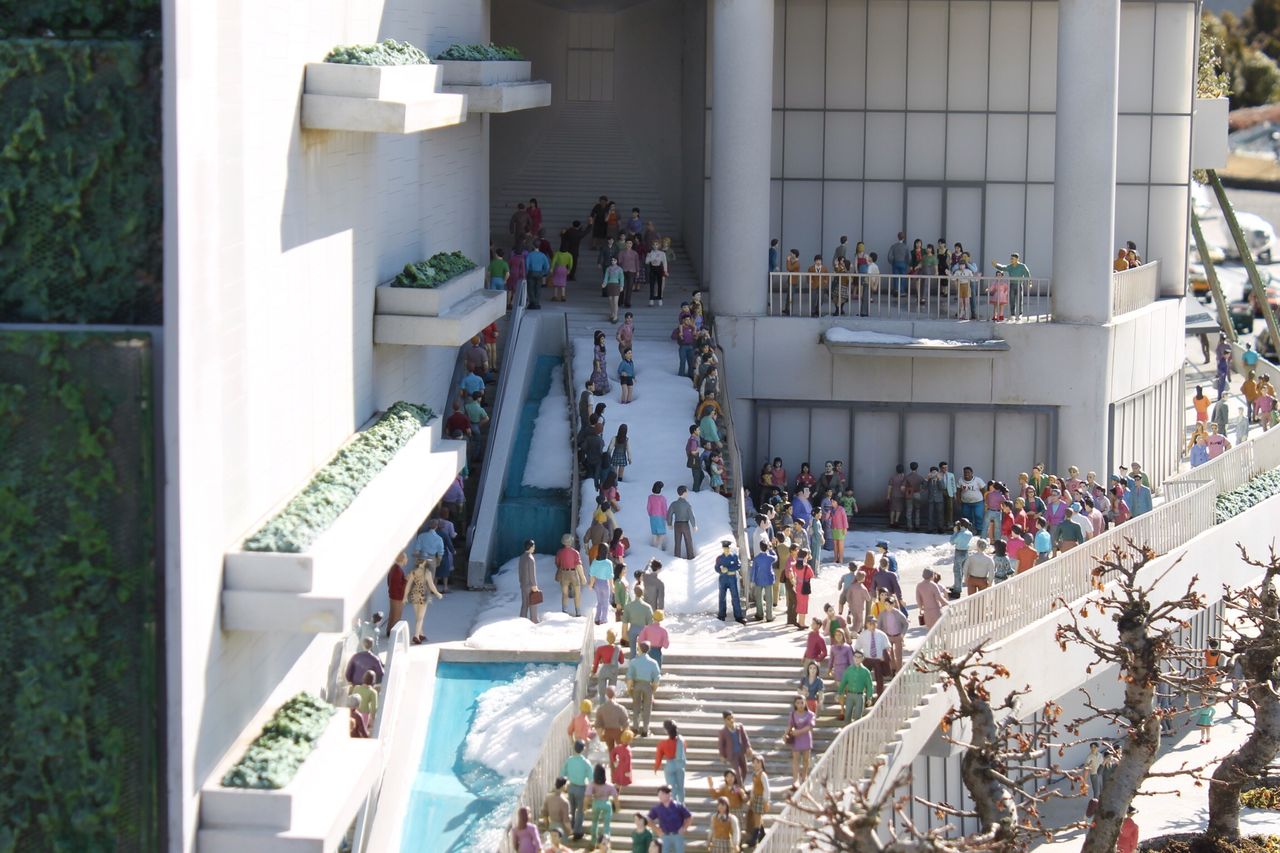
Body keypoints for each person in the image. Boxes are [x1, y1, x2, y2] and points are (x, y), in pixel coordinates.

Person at [406, 554, 443, 645]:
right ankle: (416, 636)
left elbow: (408, 586)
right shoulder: (427, 572)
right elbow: (431, 585)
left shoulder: (413, 572)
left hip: (414, 595)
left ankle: (421, 634)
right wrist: (437, 593)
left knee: (417, 617)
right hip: (423, 595)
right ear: (425, 562)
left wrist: (404, 596)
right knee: (420, 618)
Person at [627, 641, 661, 736]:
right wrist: (653, 690)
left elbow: (629, 677)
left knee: (636, 707)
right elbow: (657, 678)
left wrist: (629, 688)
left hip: (637, 685)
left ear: (639, 649)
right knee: (647, 708)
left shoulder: (634, 662)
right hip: (647, 685)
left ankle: (635, 727)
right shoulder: (653, 662)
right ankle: (645, 729)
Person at [561, 740, 593, 841]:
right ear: (583, 749)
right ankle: (577, 831)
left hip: (571, 787)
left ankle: (571, 826)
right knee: (580, 810)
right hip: (581, 787)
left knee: (572, 809)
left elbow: (562, 773)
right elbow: (591, 778)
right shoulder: (585, 762)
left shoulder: (569, 760)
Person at [648, 784, 693, 853]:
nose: (660, 796)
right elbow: (648, 819)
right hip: (665, 835)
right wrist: (657, 829)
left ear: (668, 794)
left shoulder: (678, 806)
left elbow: (689, 817)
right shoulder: (657, 808)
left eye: (662, 794)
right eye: (659, 794)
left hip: (677, 834)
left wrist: (684, 828)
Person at [653, 721, 688, 802]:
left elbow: (658, 758)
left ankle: (674, 803)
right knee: (681, 787)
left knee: (671, 788)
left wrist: (656, 768)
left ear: (666, 730)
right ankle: (681, 804)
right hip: (679, 765)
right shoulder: (682, 740)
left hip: (669, 765)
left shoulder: (662, 743)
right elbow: (684, 751)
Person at [786, 694, 817, 785]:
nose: (800, 705)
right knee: (795, 759)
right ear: (795, 704)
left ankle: (804, 775)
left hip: (806, 738)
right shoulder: (793, 714)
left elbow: (810, 727)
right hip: (796, 739)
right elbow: (790, 725)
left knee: (806, 759)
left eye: (802, 703)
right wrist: (785, 734)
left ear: (805, 703)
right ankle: (795, 779)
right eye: (798, 703)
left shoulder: (810, 714)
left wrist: (798, 732)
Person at [837, 649, 875, 723]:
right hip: (850, 695)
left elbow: (869, 685)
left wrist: (869, 697)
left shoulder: (865, 672)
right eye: (855, 657)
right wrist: (839, 693)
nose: (857, 659)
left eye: (859, 657)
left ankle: (857, 730)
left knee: (858, 715)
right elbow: (843, 682)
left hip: (859, 695)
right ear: (853, 657)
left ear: (862, 658)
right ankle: (847, 729)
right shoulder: (849, 670)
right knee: (847, 714)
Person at [856, 616, 892, 693]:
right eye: (870, 624)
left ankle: (880, 695)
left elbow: (888, 647)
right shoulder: (863, 635)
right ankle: (866, 695)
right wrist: (861, 656)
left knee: (879, 678)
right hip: (867, 659)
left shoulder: (881, 634)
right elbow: (857, 647)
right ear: (867, 624)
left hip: (878, 659)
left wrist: (884, 655)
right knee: (864, 677)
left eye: (874, 623)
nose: (872, 626)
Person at [586, 762, 619, 845]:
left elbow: (587, 797)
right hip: (606, 803)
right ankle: (606, 843)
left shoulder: (592, 784)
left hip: (596, 803)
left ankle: (593, 841)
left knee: (594, 822)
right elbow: (616, 798)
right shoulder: (609, 785)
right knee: (606, 825)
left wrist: (585, 807)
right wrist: (617, 808)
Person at [714, 540, 746, 623]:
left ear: (729, 548)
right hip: (723, 579)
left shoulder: (734, 556)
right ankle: (721, 615)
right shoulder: (719, 558)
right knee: (722, 597)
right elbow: (716, 567)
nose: (726, 550)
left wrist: (728, 569)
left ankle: (738, 616)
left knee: (735, 597)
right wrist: (721, 570)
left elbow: (738, 565)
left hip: (732, 578)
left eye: (727, 548)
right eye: (725, 548)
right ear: (723, 549)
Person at [555, 534, 586, 617]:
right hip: (573, 574)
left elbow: (557, 564)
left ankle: (564, 610)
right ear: (571, 542)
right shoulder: (575, 552)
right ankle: (578, 612)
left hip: (564, 574)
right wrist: (582, 577)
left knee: (564, 594)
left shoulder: (559, 552)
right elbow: (578, 566)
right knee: (577, 593)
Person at [717, 711, 752, 780]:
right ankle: (741, 786)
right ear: (725, 720)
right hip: (732, 755)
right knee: (737, 772)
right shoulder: (723, 731)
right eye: (729, 719)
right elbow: (721, 745)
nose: (731, 720)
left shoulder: (739, 727)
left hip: (741, 752)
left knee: (745, 770)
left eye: (732, 718)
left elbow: (745, 738)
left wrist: (748, 747)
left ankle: (737, 784)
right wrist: (722, 755)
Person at [667, 486, 698, 559]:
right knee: (688, 541)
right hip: (685, 525)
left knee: (677, 542)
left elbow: (669, 514)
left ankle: (677, 556)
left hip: (677, 524)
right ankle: (690, 556)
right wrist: (694, 525)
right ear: (684, 493)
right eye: (687, 491)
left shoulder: (674, 504)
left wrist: (669, 524)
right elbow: (691, 516)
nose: (687, 493)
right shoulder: (687, 504)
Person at [750, 541, 777, 622]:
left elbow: (754, 570)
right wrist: (771, 549)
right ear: (767, 547)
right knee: (769, 598)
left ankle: (759, 614)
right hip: (768, 579)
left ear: (760, 547)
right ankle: (769, 616)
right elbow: (776, 557)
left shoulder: (756, 558)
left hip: (759, 579)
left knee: (758, 598)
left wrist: (752, 580)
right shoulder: (770, 557)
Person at [622, 585, 654, 651]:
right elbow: (651, 623)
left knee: (632, 651)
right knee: (643, 650)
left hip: (632, 629)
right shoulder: (648, 607)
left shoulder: (628, 606)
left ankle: (633, 657)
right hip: (643, 629)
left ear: (634, 592)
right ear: (643, 593)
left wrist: (624, 635)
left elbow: (625, 623)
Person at [589, 544, 615, 625]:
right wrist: (612, 586)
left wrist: (591, 585)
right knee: (605, 602)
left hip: (597, 583)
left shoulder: (594, 561)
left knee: (599, 602)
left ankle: (597, 618)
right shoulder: (609, 563)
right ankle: (603, 619)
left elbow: (592, 575)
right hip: (605, 583)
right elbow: (610, 576)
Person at [385, 552, 408, 637]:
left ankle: (389, 631)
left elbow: (390, 582)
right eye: (406, 558)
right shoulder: (398, 570)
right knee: (397, 616)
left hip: (393, 595)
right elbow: (398, 586)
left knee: (392, 614)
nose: (407, 560)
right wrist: (406, 581)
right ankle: (393, 634)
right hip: (397, 596)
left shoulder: (394, 568)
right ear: (402, 559)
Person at [518, 539, 541, 623]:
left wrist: (521, 581)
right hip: (530, 585)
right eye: (533, 546)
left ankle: (522, 619)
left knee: (524, 604)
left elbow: (520, 571)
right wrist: (534, 585)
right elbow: (532, 574)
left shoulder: (522, 557)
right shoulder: (530, 558)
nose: (534, 548)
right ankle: (534, 620)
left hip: (523, 584)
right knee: (533, 603)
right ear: (530, 547)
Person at [525, 242, 549, 309]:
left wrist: (526, 273)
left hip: (531, 272)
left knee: (530, 288)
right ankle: (537, 302)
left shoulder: (530, 255)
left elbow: (526, 265)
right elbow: (547, 266)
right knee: (538, 288)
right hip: (539, 273)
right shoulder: (543, 255)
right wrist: (543, 273)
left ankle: (532, 302)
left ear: (533, 246)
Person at [646, 482, 669, 551]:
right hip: (661, 517)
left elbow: (648, 507)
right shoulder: (662, 498)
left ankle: (654, 546)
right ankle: (659, 546)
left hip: (653, 517)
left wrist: (650, 514)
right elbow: (664, 508)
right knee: (661, 532)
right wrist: (666, 517)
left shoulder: (650, 497)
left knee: (654, 532)